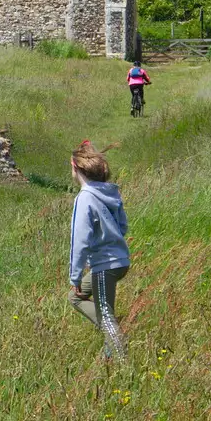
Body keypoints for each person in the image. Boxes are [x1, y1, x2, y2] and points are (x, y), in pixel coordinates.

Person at [68, 141, 131, 360]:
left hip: (105, 265)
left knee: (104, 315)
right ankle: (109, 357)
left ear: (75, 168)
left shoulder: (84, 198)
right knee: (78, 298)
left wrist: (75, 276)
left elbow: (80, 240)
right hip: (120, 260)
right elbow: (123, 226)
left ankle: (122, 360)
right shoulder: (110, 193)